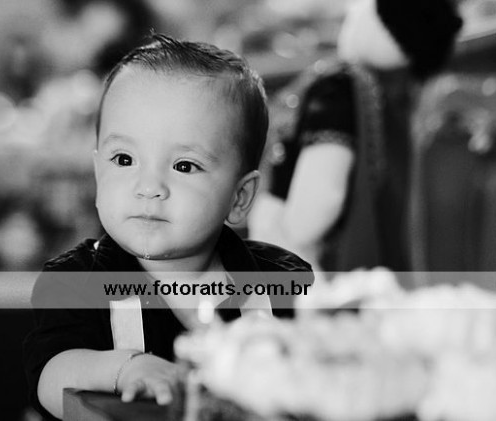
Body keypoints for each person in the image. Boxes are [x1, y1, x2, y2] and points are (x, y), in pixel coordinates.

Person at [23, 34, 313, 420]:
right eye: (123, 159)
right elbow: (50, 376)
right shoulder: (78, 281)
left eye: (184, 166)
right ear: (97, 172)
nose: (149, 187)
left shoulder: (282, 282)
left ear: (239, 197)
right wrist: (124, 369)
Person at [248, 0, 463, 277]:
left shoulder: (336, 87)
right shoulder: (398, 97)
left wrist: (289, 231)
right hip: (377, 261)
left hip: (302, 260)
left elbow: (319, 200)